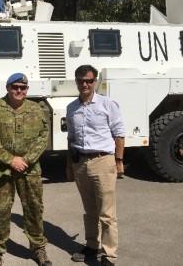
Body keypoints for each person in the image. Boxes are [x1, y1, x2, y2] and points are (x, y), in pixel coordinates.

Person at [0, 72, 52, 266]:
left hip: (30, 169)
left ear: (27, 90)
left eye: (23, 87)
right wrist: (10, 159)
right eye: (15, 87)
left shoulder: (36, 109)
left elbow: (43, 136)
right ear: (8, 88)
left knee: (34, 208)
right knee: (0, 210)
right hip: (1, 169)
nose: (19, 91)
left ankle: (38, 248)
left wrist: (26, 160)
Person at [66, 65, 125, 266]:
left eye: (89, 81)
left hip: (103, 161)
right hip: (80, 163)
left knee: (107, 213)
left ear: (95, 82)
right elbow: (71, 137)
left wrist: (119, 161)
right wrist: (69, 165)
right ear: (76, 81)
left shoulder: (108, 104)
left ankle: (109, 256)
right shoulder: (71, 107)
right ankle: (92, 246)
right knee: (89, 210)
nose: (85, 84)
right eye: (81, 80)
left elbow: (119, 133)